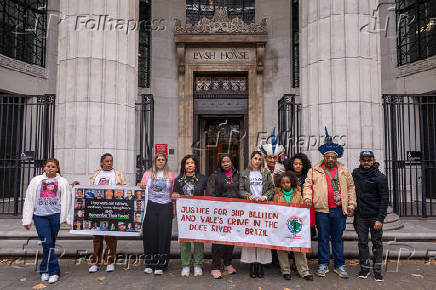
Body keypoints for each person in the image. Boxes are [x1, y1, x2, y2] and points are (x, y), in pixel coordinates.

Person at [303, 128, 356, 279]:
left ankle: (339, 265)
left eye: (333, 157)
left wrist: (351, 205)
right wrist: (307, 198)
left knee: (338, 238)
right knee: (323, 238)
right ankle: (323, 263)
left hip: (339, 210)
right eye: (328, 157)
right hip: (322, 210)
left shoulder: (344, 170)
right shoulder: (314, 171)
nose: (331, 159)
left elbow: (351, 188)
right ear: (324, 157)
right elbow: (307, 185)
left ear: (337, 157)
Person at [22, 158, 72, 284]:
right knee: (47, 242)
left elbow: (68, 201)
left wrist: (68, 218)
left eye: (53, 166)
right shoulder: (36, 181)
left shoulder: (63, 182)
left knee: (49, 244)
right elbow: (29, 199)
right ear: (44, 168)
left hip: (55, 216)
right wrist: (27, 220)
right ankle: (54, 271)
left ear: (57, 169)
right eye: (48, 166)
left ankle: (44, 269)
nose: (51, 168)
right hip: (40, 216)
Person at [352, 151, 389, 282]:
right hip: (360, 216)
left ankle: (377, 271)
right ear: (360, 161)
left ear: (373, 160)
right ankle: (364, 268)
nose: (366, 163)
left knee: (377, 244)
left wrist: (380, 219)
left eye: (369, 160)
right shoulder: (355, 174)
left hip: (375, 216)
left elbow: (384, 200)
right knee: (362, 243)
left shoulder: (380, 177)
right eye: (364, 160)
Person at [89, 153, 126, 273]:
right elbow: (90, 189)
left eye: (111, 161)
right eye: (106, 161)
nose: (109, 163)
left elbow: (124, 190)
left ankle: (110, 261)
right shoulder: (96, 174)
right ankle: (96, 262)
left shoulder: (118, 174)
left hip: (112, 209)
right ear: (101, 163)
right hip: (97, 209)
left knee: (110, 236)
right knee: (97, 237)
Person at [239, 151, 274, 278]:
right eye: (255, 158)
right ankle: (252, 263)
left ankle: (260, 263)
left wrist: (265, 196)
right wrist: (249, 196)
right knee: (251, 236)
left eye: (259, 159)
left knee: (262, 236)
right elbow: (241, 190)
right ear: (251, 159)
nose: (257, 161)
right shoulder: (244, 174)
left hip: (263, 208)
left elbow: (271, 188)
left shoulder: (266, 173)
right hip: (249, 208)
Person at [138, 152, 175, 275]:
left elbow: (173, 193)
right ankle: (150, 263)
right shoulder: (147, 174)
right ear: (155, 161)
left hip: (166, 206)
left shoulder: (170, 175)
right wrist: (140, 185)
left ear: (165, 162)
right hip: (151, 206)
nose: (160, 162)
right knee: (150, 235)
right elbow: (141, 188)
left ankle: (161, 265)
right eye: (158, 160)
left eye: (162, 160)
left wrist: (173, 210)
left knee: (163, 236)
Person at [171, 154, 208, 277]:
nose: (190, 165)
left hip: (198, 215)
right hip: (184, 216)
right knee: (185, 240)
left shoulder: (202, 179)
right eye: (187, 163)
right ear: (184, 166)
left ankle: (198, 265)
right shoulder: (179, 179)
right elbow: (174, 193)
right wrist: (174, 195)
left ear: (195, 165)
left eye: (192, 163)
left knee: (198, 240)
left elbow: (207, 195)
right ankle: (185, 265)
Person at [273, 171, 313, 281]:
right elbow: (274, 209)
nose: (286, 184)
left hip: (294, 224)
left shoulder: (298, 194)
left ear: (292, 183)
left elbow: (302, 209)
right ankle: (285, 270)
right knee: (282, 249)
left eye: (288, 182)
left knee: (299, 248)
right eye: (283, 183)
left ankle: (304, 271)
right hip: (281, 226)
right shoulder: (276, 195)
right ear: (280, 184)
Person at [206, 153, 239, 279]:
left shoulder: (237, 174)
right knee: (218, 239)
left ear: (231, 162)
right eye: (223, 162)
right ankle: (215, 266)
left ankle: (228, 263)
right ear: (220, 164)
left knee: (231, 239)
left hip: (234, 212)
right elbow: (210, 193)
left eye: (228, 161)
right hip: (220, 212)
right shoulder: (214, 176)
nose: (226, 164)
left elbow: (240, 190)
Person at [285, 153, 317, 239]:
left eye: (300, 164)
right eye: (295, 164)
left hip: (305, 209)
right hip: (291, 209)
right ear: (292, 165)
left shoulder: (308, 177)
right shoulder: (286, 177)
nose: (298, 166)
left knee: (304, 235)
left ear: (304, 165)